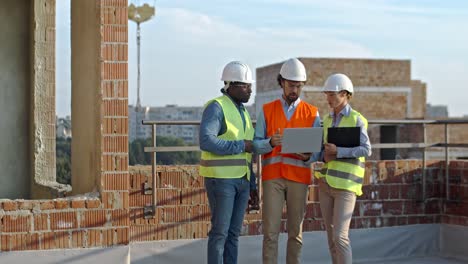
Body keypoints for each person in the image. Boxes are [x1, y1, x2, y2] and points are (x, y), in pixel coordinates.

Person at [254, 58, 321, 264]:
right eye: (291, 85)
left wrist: (309, 156)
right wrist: (270, 143)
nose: (295, 89)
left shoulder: (312, 113)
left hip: (299, 179)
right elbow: (256, 145)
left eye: (299, 86)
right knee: (270, 234)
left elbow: (318, 150)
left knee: (296, 234)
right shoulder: (267, 110)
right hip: (273, 178)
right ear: (281, 82)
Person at [199, 61, 259, 264]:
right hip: (221, 181)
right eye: (245, 85)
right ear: (230, 85)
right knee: (219, 234)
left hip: (241, 181)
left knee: (233, 235)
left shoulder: (242, 112)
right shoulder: (217, 107)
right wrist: (241, 145)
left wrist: (252, 185)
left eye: (250, 85)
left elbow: (248, 153)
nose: (250, 89)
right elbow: (206, 141)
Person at [315, 73, 372, 264]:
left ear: (345, 94)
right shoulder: (327, 120)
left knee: (340, 237)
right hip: (326, 184)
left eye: (333, 94)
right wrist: (323, 154)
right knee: (331, 238)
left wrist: (339, 151)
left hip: (346, 187)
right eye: (327, 94)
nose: (328, 99)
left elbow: (366, 149)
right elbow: (324, 151)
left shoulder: (357, 119)